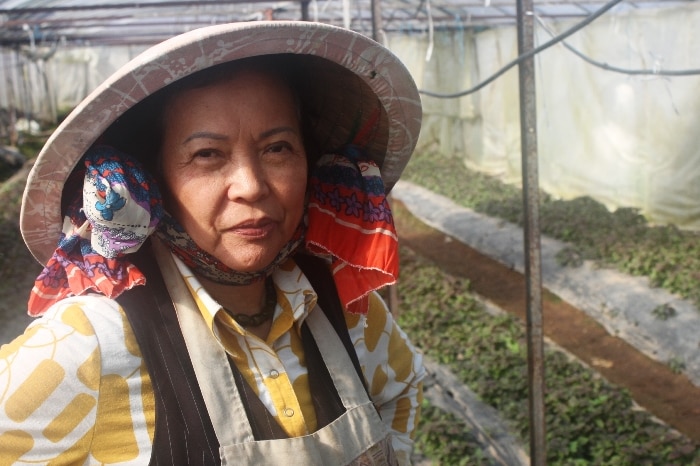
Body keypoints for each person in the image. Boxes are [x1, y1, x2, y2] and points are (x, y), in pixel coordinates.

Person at [0, 21, 425, 465]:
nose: (251, 186)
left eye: (277, 148)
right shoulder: (94, 342)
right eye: (207, 155)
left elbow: (402, 388)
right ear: (151, 179)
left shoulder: (347, 309)